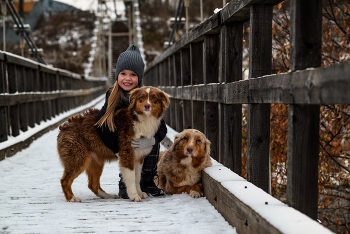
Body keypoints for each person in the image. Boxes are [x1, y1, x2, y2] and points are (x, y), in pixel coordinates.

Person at [95, 44, 166, 198]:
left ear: (139, 77)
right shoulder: (113, 97)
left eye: (133, 74)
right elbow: (101, 125)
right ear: (117, 75)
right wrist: (118, 149)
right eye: (123, 73)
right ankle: (126, 184)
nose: (127, 79)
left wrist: (151, 140)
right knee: (133, 145)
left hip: (142, 146)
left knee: (153, 137)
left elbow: (162, 129)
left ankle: (146, 181)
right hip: (123, 146)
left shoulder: (146, 96)